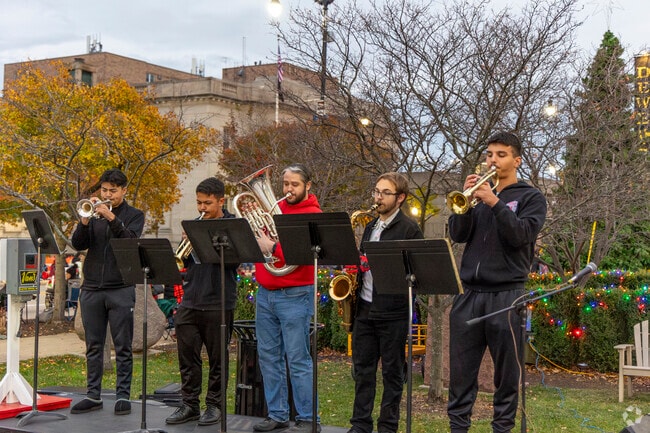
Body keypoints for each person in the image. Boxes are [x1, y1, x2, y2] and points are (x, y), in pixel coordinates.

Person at [447, 132, 547, 433]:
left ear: (516, 160)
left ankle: (502, 428)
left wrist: (494, 203)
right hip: (469, 296)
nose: (493, 159)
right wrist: (465, 205)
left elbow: (520, 236)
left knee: (506, 375)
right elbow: (458, 235)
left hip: (506, 296)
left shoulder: (531, 198)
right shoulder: (479, 195)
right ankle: (457, 428)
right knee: (461, 374)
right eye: (489, 154)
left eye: (501, 154)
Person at [347, 172, 424, 433]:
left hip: (393, 311)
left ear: (400, 198)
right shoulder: (370, 226)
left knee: (392, 373)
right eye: (376, 191)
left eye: (385, 193)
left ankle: (387, 427)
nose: (378, 197)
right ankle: (360, 424)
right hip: (365, 308)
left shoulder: (409, 229)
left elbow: (415, 272)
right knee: (362, 371)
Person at [253, 163, 322, 433]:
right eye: (285, 184)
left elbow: (304, 250)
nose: (288, 190)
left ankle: (308, 419)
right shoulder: (271, 209)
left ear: (308, 186)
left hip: (295, 293)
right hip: (265, 292)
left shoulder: (312, 213)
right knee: (268, 357)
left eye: (294, 184)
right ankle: (278, 414)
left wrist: (271, 246)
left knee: (297, 359)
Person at [69, 168, 145, 416]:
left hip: (120, 287)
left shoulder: (134, 215)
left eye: (113, 191)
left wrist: (111, 217)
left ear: (124, 191)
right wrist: (85, 220)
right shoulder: (93, 215)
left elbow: (130, 241)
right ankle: (93, 394)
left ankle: (123, 395)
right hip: (91, 287)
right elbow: (78, 244)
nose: (107, 195)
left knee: (123, 346)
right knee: (93, 345)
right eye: (104, 190)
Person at [165, 177, 239, 426]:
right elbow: (184, 262)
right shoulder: (195, 224)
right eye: (198, 203)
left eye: (207, 203)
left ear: (221, 200)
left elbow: (233, 262)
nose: (202, 208)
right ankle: (189, 405)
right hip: (191, 299)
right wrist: (189, 241)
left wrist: (204, 241)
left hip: (219, 300)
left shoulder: (232, 225)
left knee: (218, 359)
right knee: (187, 358)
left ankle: (215, 405)